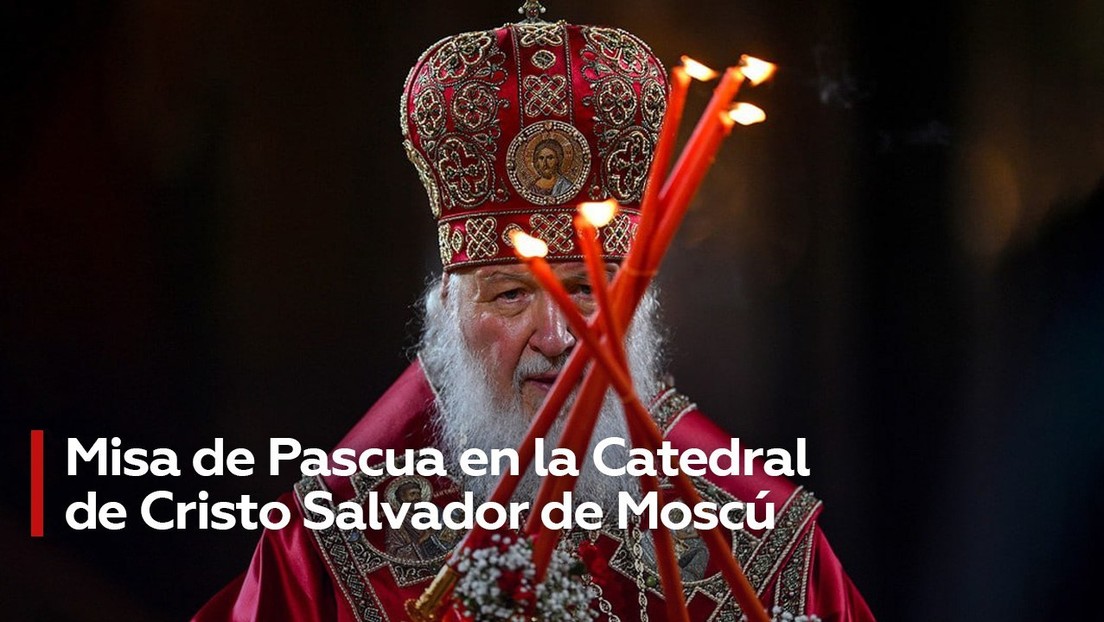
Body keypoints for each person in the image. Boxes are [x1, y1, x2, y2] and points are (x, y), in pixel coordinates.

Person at [194, 5, 875, 621]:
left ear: (642, 305)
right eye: (512, 294)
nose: (557, 338)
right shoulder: (327, 538)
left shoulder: (761, 538)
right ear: (446, 307)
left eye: (586, 291)